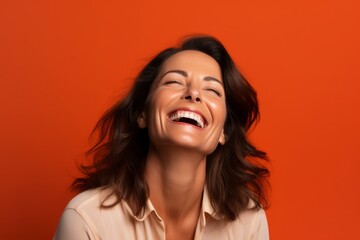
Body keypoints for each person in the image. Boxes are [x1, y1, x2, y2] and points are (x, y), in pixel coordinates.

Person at [54, 35, 270, 240]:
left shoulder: (248, 220)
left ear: (224, 131)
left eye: (212, 89)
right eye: (174, 81)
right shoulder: (87, 220)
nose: (193, 93)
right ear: (142, 114)